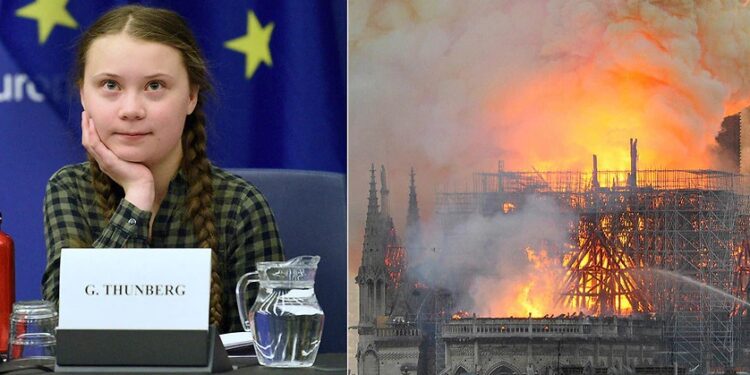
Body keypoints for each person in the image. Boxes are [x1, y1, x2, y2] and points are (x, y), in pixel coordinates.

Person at [41, 4, 284, 333]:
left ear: (191, 96)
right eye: (110, 85)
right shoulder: (69, 188)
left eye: (154, 86)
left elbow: (270, 348)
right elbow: (66, 321)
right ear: (84, 94)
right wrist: (138, 195)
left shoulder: (241, 205)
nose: (131, 110)